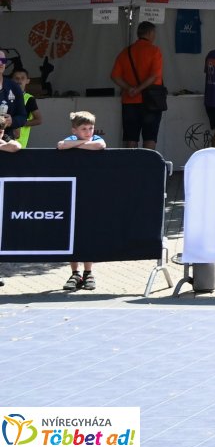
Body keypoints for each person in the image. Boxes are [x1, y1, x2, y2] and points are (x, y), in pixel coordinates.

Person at [58, 112, 107, 290]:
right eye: (83, 129)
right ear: (74, 130)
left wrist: (78, 145)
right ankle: (75, 273)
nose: (88, 132)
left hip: (90, 191)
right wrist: (81, 144)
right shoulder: (70, 138)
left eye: (91, 128)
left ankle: (88, 272)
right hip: (72, 191)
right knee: (73, 234)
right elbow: (62, 145)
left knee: (88, 233)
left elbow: (101, 145)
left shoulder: (96, 139)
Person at [110, 21, 166, 150]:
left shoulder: (125, 52)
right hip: (151, 101)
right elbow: (154, 77)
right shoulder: (154, 51)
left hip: (129, 101)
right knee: (150, 138)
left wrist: (130, 89)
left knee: (131, 138)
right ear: (150, 33)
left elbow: (114, 76)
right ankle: (147, 168)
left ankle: (131, 168)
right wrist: (139, 89)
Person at [7, 62, 39, 147]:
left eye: (22, 78)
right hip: (3, 141)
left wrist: (18, 122)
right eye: (16, 78)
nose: (19, 81)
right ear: (11, 80)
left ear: (27, 80)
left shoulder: (29, 99)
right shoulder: (4, 95)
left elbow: (39, 120)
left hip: (19, 143)